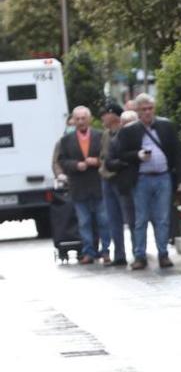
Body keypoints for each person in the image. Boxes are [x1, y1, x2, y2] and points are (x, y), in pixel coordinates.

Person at [115, 93, 181, 270]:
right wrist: (137, 155)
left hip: (163, 177)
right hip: (141, 179)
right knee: (140, 219)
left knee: (162, 218)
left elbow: (177, 153)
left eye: (150, 108)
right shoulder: (129, 131)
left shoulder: (166, 126)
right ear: (138, 112)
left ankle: (163, 253)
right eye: (143, 109)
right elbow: (120, 154)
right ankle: (140, 255)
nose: (147, 112)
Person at [57, 106, 112, 265]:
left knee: (103, 221)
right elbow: (62, 161)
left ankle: (106, 251)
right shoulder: (66, 140)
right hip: (78, 187)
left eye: (83, 118)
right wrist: (75, 165)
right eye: (77, 119)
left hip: (98, 185)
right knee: (84, 222)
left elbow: (108, 156)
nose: (80, 122)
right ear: (73, 120)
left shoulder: (100, 136)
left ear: (89, 119)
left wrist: (97, 161)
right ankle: (88, 252)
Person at [98, 103, 134, 266]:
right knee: (113, 219)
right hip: (107, 179)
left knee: (130, 217)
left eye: (105, 114)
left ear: (113, 115)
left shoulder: (125, 132)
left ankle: (138, 252)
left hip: (121, 178)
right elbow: (103, 154)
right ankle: (119, 254)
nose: (102, 118)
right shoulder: (106, 134)